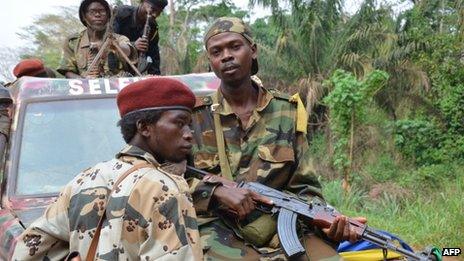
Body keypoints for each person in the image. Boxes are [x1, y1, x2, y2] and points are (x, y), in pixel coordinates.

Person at [189, 17, 366, 260]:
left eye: (235, 46)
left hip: (280, 226)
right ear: (210, 60)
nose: (226, 56)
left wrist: (323, 219)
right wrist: (215, 191)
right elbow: (171, 179)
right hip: (217, 227)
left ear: (253, 50)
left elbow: (305, 186)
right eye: (216, 51)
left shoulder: (287, 111)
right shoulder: (194, 116)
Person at [12, 77, 203, 260]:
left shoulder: (84, 180)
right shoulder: (166, 188)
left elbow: (29, 249)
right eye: (179, 123)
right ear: (144, 128)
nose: (189, 134)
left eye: (189, 125)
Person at [57, 0, 137, 79]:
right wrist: (84, 81)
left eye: (102, 11)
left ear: (108, 16)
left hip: (116, 88)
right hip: (86, 89)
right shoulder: (73, 42)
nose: (97, 15)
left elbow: (128, 50)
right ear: (84, 17)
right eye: (92, 12)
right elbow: (68, 72)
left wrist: (114, 46)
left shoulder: (119, 39)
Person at [113, 0, 167, 75]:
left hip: (131, 72)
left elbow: (154, 58)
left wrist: (155, 80)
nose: (155, 15)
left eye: (159, 13)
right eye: (153, 9)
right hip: (111, 68)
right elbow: (109, 42)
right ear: (142, 2)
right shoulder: (121, 14)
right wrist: (133, 46)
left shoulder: (153, 27)